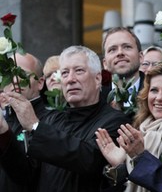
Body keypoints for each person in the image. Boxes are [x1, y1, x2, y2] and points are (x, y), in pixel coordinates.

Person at [0, 46, 131, 191]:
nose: (70, 79)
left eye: (79, 71)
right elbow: (25, 175)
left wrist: (35, 126)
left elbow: (88, 160)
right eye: (65, 73)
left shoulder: (115, 121)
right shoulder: (52, 120)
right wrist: (4, 132)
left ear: (98, 78)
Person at [96, 64, 162, 191]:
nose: (159, 98)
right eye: (154, 90)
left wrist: (140, 157)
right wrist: (119, 166)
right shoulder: (142, 126)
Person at [0, 52, 53, 192]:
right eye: (8, 75)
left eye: (22, 74)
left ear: (40, 83)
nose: (15, 80)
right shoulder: (5, 118)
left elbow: (29, 174)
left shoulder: (53, 121)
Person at [102, 27, 145, 108]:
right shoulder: (95, 97)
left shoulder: (154, 92)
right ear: (105, 64)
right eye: (112, 49)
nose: (120, 53)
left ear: (140, 57)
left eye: (127, 47)